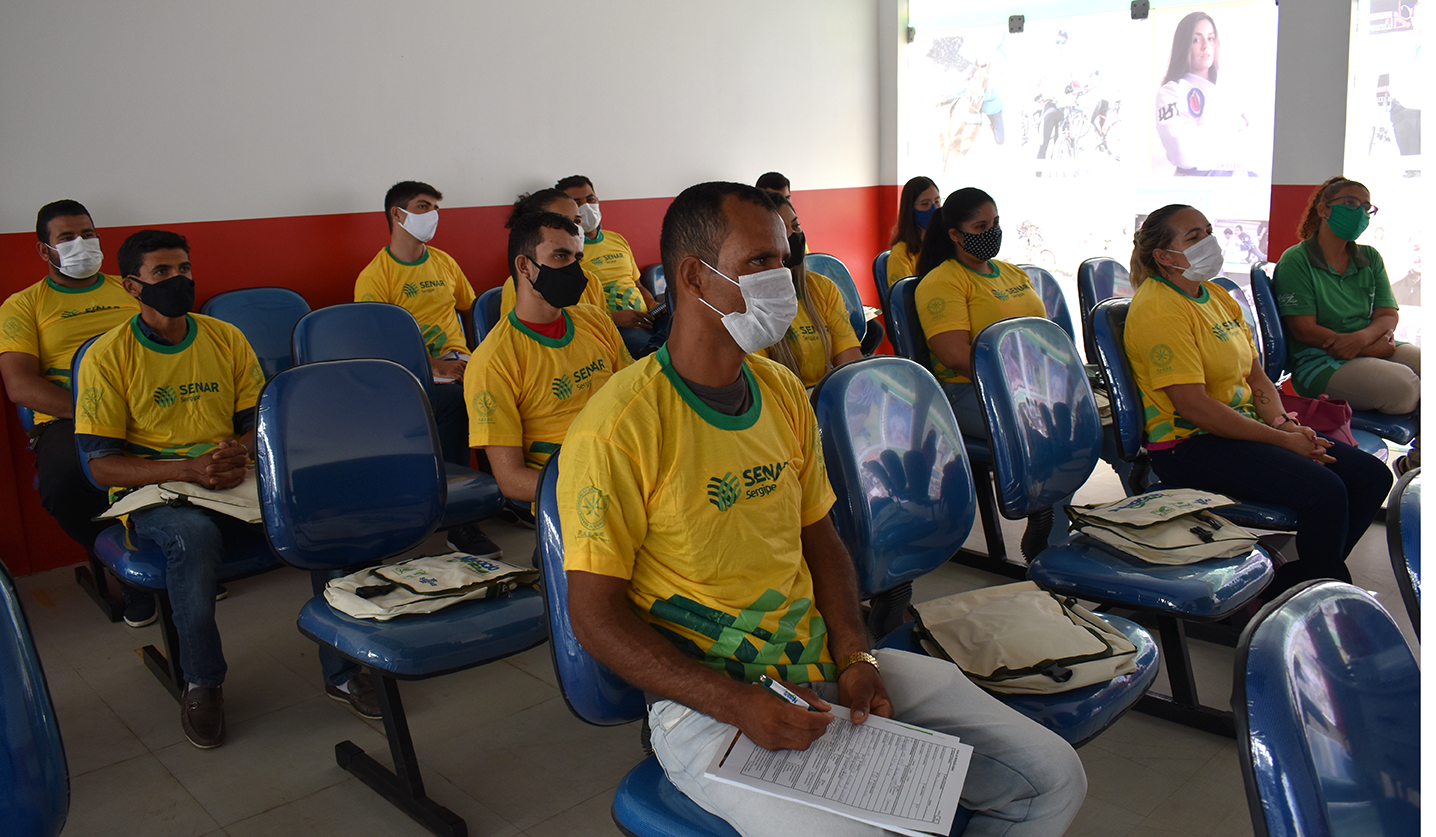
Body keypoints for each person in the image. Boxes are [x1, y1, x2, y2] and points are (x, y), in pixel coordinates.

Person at [559, 181, 1086, 837]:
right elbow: (594, 615)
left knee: (1052, 778)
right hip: (709, 703)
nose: (784, 279)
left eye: (784, 259)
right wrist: (734, 701)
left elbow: (822, 539)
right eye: (760, 262)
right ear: (694, 276)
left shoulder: (782, 390)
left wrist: (856, 654)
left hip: (822, 666)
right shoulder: (621, 425)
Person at [74, 230, 378, 748]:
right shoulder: (107, 356)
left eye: (184, 269)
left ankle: (345, 669)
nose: (178, 280)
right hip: (162, 488)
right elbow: (101, 467)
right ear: (132, 286)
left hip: (230, 475)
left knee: (325, 514)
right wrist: (187, 470)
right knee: (192, 539)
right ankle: (202, 681)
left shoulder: (225, 337)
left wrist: (232, 454)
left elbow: (254, 424)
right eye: (162, 272)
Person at [1125, 205, 1392, 597]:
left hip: (1242, 429)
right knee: (1325, 491)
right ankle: (1319, 590)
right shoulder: (1159, 309)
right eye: (1194, 237)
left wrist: (1286, 424)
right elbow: (1194, 406)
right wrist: (1283, 441)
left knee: (1372, 477)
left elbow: (1255, 376)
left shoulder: (1216, 295)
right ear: (1164, 256)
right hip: (1191, 443)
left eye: (1208, 231)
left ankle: (1299, 580)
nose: (1209, 242)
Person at [0, 200, 149, 624]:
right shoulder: (23, 306)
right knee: (63, 483)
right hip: (70, 418)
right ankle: (129, 571)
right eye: (66, 237)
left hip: (147, 405)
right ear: (44, 250)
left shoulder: (131, 288)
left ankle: (186, 556)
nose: (81, 243)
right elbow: (20, 385)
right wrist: (96, 414)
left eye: (88, 234)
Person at [354, 181, 499, 558]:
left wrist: (478, 358)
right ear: (397, 214)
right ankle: (459, 519)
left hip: (459, 360)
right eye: (423, 206)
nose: (432, 214)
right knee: (455, 402)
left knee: (499, 389)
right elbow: (378, 346)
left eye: (435, 207)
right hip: (412, 371)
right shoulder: (376, 276)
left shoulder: (444, 262)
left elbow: (470, 309)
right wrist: (432, 365)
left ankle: (503, 490)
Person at [465, 211, 629, 507]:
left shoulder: (596, 321)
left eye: (577, 258)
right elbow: (511, 480)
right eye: (560, 256)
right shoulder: (492, 362)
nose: (574, 269)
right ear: (524, 266)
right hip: (577, 498)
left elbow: (633, 397)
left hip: (627, 466)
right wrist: (596, 488)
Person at [1274, 176, 1420, 471]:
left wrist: (1362, 341)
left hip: (1369, 345)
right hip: (1319, 361)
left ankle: (1417, 461)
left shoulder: (1369, 257)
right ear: (1324, 209)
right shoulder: (1296, 260)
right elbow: (1304, 329)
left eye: (1367, 207)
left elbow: (1388, 314)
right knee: (1405, 389)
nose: (1360, 212)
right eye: (1351, 203)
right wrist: (1367, 347)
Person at [913, 188, 1046, 439]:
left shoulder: (1014, 273)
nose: (992, 232)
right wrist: (1017, 375)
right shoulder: (942, 281)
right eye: (981, 227)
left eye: (995, 223)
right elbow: (954, 356)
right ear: (955, 235)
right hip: (970, 388)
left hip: (1029, 383)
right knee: (1042, 428)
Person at [757, 194, 861, 386]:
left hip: (823, 397)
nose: (793, 235)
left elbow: (850, 365)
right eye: (782, 230)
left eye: (795, 226)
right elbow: (765, 386)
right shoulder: (749, 303)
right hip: (784, 401)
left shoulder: (822, 288)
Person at [556, 175, 665, 356]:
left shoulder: (617, 239)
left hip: (649, 317)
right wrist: (616, 318)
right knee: (654, 354)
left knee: (686, 327)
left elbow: (637, 285)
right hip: (614, 326)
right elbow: (571, 311)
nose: (586, 207)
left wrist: (653, 304)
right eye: (577, 202)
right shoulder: (566, 253)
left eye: (590, 199)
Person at [1154, 12, 1254, 176]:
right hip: (1194, 186)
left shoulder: (1233, 85)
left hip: (1239, 183)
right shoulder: (1171, 92)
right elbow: (1182, 153)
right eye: (1196, 39)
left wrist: (1196, 132)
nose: (1205, 46)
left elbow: (1255, 144)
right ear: (1184, 45)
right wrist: (1235, 126)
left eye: (1211, 38)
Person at [498, 190, 607, 315]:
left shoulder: (591, 281)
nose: (573, 228)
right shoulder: (520, 284)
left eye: (577, 221)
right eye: (560, 221)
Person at [886, 177, 941, 284]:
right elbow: (903, 293)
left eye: (937, 201)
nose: (934, 209)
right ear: (910, 209)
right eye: (925, 203)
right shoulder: (901, 254)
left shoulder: (946, 243)